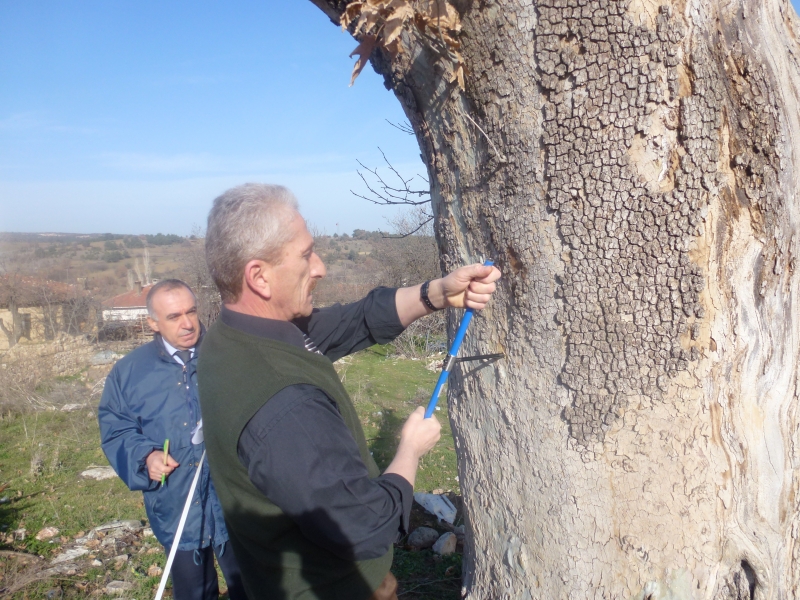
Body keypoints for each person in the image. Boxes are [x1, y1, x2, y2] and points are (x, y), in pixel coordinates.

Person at [198, 183, 501, 600]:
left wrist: (436, 294)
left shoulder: (234, 336)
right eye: (305, 255)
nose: (320, 267)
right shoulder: (287, 407)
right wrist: (408, 452)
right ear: (259, 276)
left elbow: (353, 322)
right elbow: (366, 527)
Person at [98, 279, 247, 600]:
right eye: (174, 316)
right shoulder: (129, 372)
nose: (187, 323)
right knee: (194, 592)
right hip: (177, 504)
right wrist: (145, 457)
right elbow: (116, 428)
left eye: (191, 312)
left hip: (237, 501)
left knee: (253, 587)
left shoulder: (229, 353)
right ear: (153, 323)